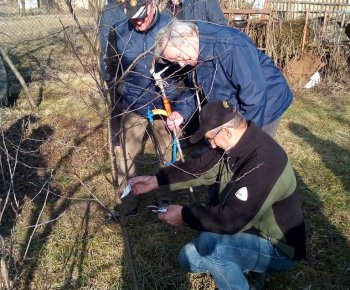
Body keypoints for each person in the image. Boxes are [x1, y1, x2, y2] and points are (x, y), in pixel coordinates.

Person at [129, 101, 306, 290]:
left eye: (210, 138)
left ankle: (249, 276)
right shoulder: (231, 146)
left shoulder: (264, 163)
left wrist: (183, 214)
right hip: (245, 229)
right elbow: (197, 169)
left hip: (276, 246)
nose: (210, 144)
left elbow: (230, 221)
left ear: (227, 132)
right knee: (188, 259)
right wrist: (156, 180)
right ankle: (247, 268)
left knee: (212, 244)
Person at [104, 0, 195, 214]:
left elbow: (188, 74)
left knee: (166, 154)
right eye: (132, 15)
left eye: (142, 14)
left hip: (166, 105)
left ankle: (164, 200)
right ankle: (127, 203)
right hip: (133, 103)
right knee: (127, 154)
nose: (138, 20)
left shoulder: (173, 27)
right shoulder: (118, 31)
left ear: (154, 4)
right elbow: (112, 67)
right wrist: (121, 92)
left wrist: (179, 107)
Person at [155, 20, 294, 138]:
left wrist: (246, 136)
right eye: (175, 61)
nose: (180, 64)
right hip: (237, 101)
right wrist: (181, 112)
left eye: (179, 57)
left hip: (267, 101)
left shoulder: (229, 46)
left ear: (188, 37)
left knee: (253, 152)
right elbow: (196, 87)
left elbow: (254, 95)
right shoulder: (192, 53)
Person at [98, 0, 127, 148]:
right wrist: (111, 71)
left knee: (127, 104)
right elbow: (106, 45)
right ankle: (116, 142)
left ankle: (128, 138)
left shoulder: (129, 7)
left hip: (128, 65)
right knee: (117, 105)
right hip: (114, 68)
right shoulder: (110, 11)